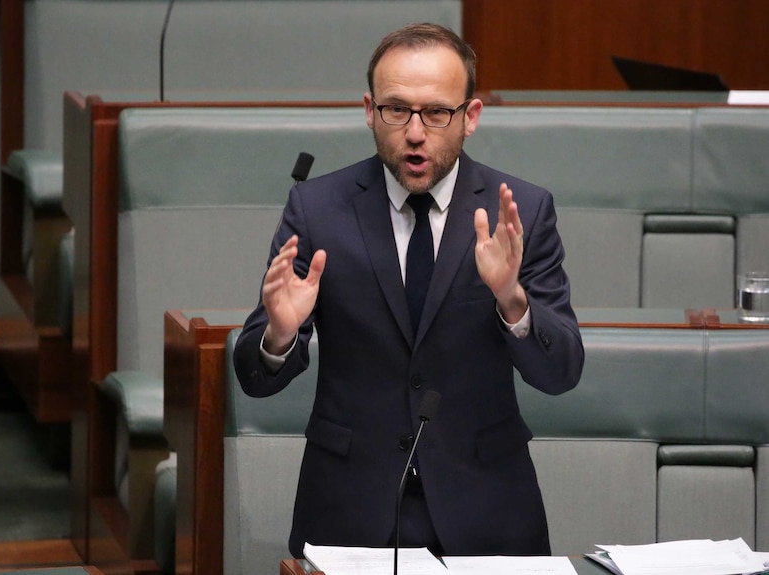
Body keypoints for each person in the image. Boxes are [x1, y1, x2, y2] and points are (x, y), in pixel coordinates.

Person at [232, 22, 584, 558]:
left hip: (488, 511)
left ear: (470, 117)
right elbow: (254, 379)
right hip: (350, 509)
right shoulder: (318, 209)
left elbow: (561, 373)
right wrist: (279, 335)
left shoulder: (523, 212)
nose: (415, 132)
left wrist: (513, 301)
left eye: (437, 112)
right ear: (370, 112)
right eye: (397, 110)